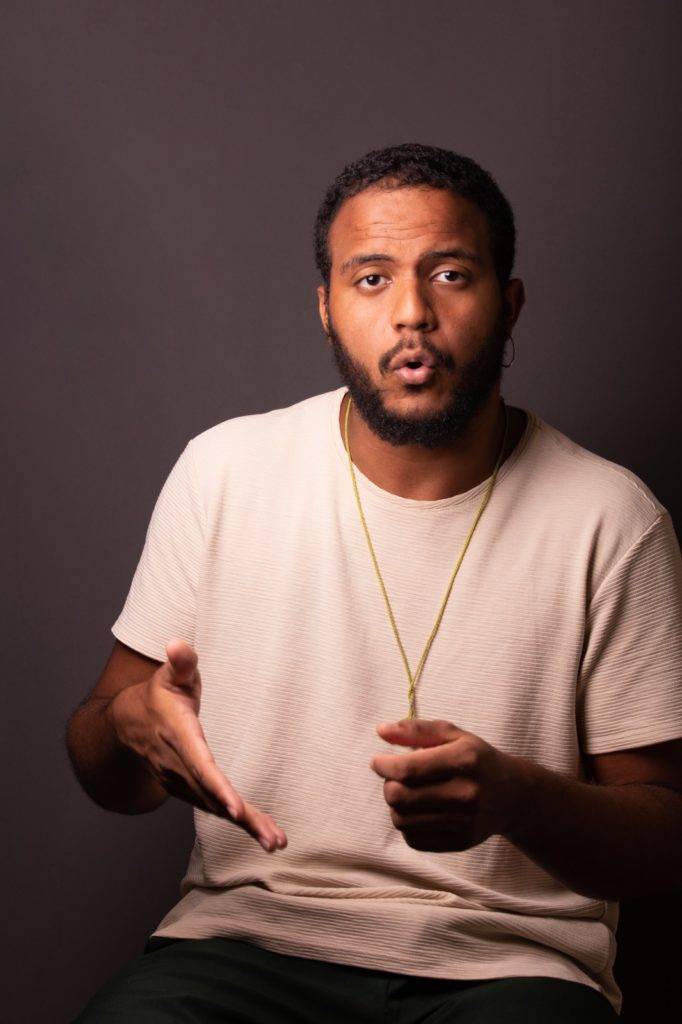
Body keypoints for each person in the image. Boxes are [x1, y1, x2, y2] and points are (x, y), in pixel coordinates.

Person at [66, 142, 682, 1022]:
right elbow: (106, 771)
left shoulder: (611, 516)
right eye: (371, 279)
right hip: (246, 947)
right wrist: (133, 726)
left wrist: (517, 799)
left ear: (509, 305)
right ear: (325, 307)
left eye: (451, 275)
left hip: (509, 967)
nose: (412, 313)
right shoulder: (223, 471)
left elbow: (664, 840)